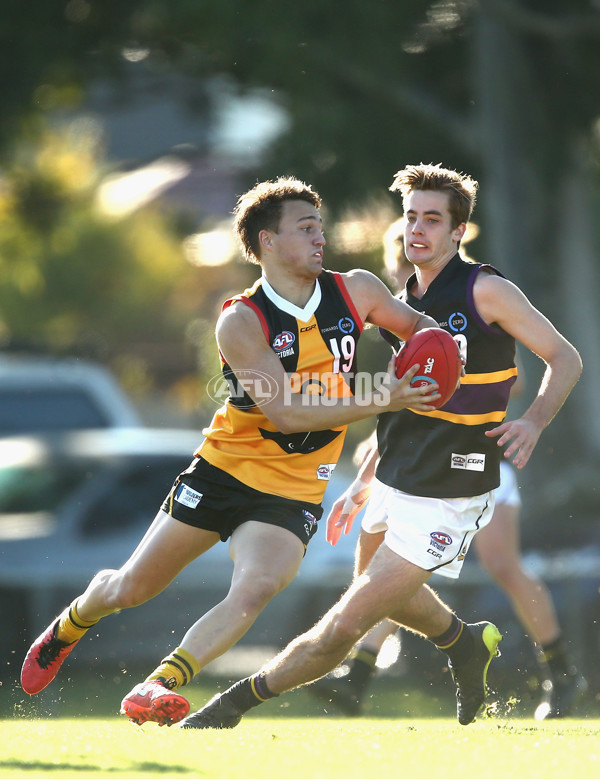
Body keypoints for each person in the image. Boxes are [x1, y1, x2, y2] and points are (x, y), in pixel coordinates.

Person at [20, 176, 443, 726]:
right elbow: (286, 412)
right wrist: (384, 395)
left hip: (293, 487)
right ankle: (70, 624)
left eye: (321, 227)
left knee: (256, 589)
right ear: (267, 241)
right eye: (306, 228)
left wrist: (432, 355)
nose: (321, 238)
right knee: (133, 587)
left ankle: (161, 684)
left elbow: (422, 329)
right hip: (224, 471)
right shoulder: (240, 320)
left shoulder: (358, 289)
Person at [177, 163, 581, 730]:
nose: (417, 229)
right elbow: (395, 401)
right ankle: (465, 645)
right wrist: (366, 474)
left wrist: (535, 421)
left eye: (433, 220)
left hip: (452, 486)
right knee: (385, 598)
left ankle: (230, 706)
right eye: (411, 217)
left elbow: (566, 357)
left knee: (346, 624)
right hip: (394, 476)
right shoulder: (400, 300)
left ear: (459, 231)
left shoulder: (486, 289)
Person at [307, 221, 586, 720]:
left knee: (502, 566)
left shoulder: (480, 299)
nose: (401, 270)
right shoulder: (401, 314)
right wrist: (374, 454)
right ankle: (361, 671)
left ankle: (562, 673)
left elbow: (516, 381)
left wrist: (456, 387)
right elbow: (405, 406)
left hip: (478, 461)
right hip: (421, 466)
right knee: (394, 568)